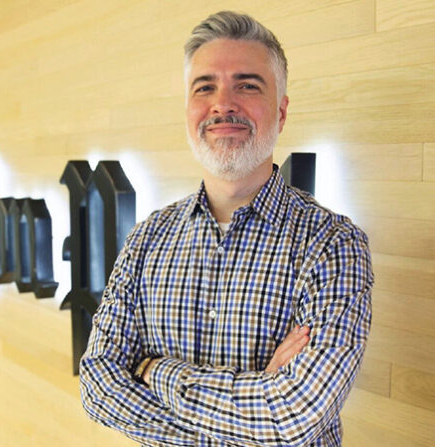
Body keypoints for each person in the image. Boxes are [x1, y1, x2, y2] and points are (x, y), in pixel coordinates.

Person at [79, 10, 373, 447]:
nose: (223, 104)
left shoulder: (333, 244)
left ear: (281, 111)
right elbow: (97, 386)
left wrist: (151, 369)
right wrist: (254, 410)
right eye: (205, 87)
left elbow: (292, 417)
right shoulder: (146, 239)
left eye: (247, 85)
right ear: (187, 110)